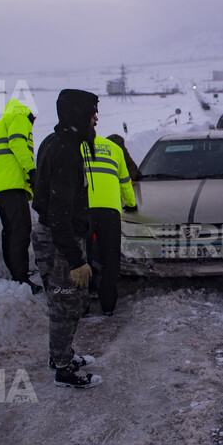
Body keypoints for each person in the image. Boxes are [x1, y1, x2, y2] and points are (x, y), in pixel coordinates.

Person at [31, 89, 102, 388]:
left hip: (60, 235)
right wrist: (75, 260)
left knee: (68, 302)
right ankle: (62, 368)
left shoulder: (60, 141)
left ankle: (62, 354)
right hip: (60, 239)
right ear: (78, 115)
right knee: (65, 304)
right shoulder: (65, 151)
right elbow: (58, 213)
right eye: (92, 113)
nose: (96, 119)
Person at [0, 98, 42, 294]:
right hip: (11, 184)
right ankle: (21, 279)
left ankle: (16, 274)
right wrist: (31, 172)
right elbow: (18, 144)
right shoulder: (20, 117)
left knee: (10, 230)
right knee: (22, 230)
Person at [82, 133, 137, 316]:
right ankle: (108, 306)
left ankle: (83, 304)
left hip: (84, 209)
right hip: (110, 212)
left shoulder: (78, 146)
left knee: (83, 257)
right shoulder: (114, 149)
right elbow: (125, 182)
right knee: (110, 258)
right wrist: (131, 204)